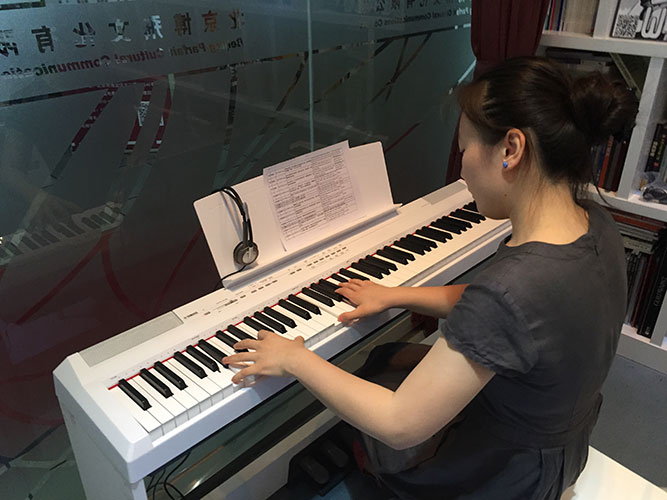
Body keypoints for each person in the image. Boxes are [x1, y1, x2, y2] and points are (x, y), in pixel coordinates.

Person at [222, 56, 638, 499]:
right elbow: (514, 312)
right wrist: (397, 295)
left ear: (511, 150)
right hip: (563, 444)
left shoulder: (513, 287)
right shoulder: (595, 224)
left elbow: (399, 423)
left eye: (465, 149)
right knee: (388, 356)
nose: (461, 169)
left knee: (380, 389)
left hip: (507, 475)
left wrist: (295, 359)